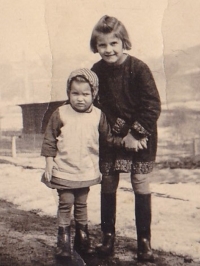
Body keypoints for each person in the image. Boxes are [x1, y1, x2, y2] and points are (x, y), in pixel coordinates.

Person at [90, 15, 161, 262]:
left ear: (123, 42)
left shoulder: (139, 68)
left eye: (113, 44)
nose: (108, 50)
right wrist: (116, 134)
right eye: (102, 45)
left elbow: (152, 105)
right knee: (108, 183)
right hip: (111, 138)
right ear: (95, 46)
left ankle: (144, 242)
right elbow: (97, 105)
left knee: (140, 182)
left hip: (141, 137)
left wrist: (135, 134)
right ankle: (107, 237)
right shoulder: (96, 71)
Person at [41, 68, 123, 258]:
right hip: (64, 168)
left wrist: (125, 142)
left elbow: (108, 139)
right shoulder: (60, 113)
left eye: (85, 94)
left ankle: (82, 240)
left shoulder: (98, 115)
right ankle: (63, 242)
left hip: (86, 169)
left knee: (81, 203)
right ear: (68, 92)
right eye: (75, 93)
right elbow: (49, 139)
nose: (80, 98)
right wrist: (48, 163)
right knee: (65, 201)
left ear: (94, 93)